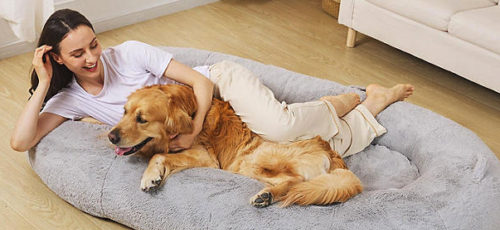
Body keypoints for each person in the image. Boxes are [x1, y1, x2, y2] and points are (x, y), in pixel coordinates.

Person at [11, 9, 414, 158]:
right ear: (57, 57)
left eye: (94, 44)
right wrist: (44, 83)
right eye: (77, 55)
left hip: (217, 86)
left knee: (279, 127)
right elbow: (21, 142)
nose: (93, 58)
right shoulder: (69, 98)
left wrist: (197, 127)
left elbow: (199, 81)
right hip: (194, 121)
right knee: (293, 149)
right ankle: (371, 106)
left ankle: (338, 102)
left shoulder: (129, 53)